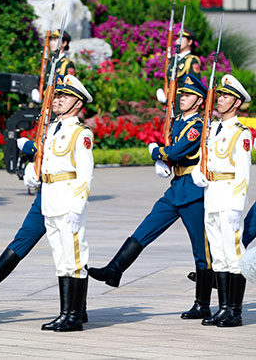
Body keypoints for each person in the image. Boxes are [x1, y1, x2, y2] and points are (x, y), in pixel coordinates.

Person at [88, 74, 214, 320]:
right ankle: (115, 270)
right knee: (145, 229)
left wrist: (157, 153)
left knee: (201, 250)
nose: (182, 98)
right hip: (177, 186)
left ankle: (203, 304)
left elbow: (177, 151)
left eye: (187, 95)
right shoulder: (178, 122)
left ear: (199, 101)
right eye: (181, 94)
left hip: (192, 192)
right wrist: (165, 161)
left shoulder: (197, 127)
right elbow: (174, 152)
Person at [23, 75, 93, 332]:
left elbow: (85, 174)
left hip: (68, 201)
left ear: (78, 104)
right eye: (58, 95)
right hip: (50, 200)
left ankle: (74, 316)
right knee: (60, 258)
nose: (58, 100)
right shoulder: (51, 129)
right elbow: (47, 161)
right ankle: (65, 313)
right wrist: (33, 170)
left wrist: (77, 207)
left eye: (65, 97)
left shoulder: (80, 133)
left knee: (74, 258)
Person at [191, 74, 251, 327]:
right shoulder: (213, 128)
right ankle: (223, 308)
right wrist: (198, 172)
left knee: (233, 254)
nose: (220, 99)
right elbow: (205, 159)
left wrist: (238, 205)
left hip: (229, 198)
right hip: (212, 196)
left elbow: (244, 172)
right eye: (220, 95)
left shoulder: (242, 133)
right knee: (218, 255)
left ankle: (234, 311)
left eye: (225, 96)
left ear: (236, 103)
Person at [157, 28, 201, 115]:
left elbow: (193, 89)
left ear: (190, 42)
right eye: (177, 38)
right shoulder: (173, 59)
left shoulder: (191, 61)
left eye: (181, 39)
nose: (177, 41)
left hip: (181, 107)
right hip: (170, 104)